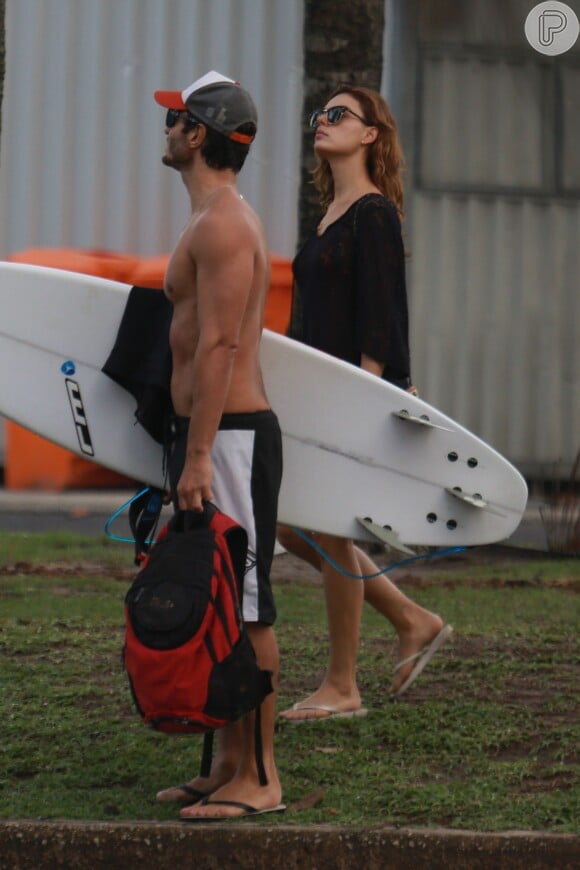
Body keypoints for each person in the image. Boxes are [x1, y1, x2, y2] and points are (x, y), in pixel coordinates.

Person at [278, 85, 452, 723]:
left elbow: (381, 317)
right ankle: (412, 619)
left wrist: (359, 399)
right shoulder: (329, 214)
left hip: (349, 398)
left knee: (325, 526)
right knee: (291, 524)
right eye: (319, 114)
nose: (322, 122)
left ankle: (342, 685)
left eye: (338, 114)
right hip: (317, 395)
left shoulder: (374, 213)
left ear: (371, 134)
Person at [152, 71, 285, 820]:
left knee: (252, 608)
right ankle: (228, 763)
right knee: (221, 604)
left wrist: (199, 456)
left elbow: (223, 344)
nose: (167, 130)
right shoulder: (208, 219)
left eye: (176, 120)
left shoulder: (226, 224)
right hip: (207, 438)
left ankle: (262, 779)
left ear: (198, 134)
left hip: (230, 441)